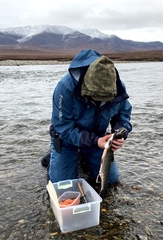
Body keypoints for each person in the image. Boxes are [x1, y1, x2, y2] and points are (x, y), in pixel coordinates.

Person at [48, 49, 132, 184]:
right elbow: (63, 128)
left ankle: (85, 158)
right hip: (66, 141)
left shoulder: (118, 88)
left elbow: (123, 115)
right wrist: (95, 141)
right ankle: (55, 157)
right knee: (62, 185)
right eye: (97, 97)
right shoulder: (65, 88)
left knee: (111, 181)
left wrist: (120, 133)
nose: (100, 102)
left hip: (97, 141)